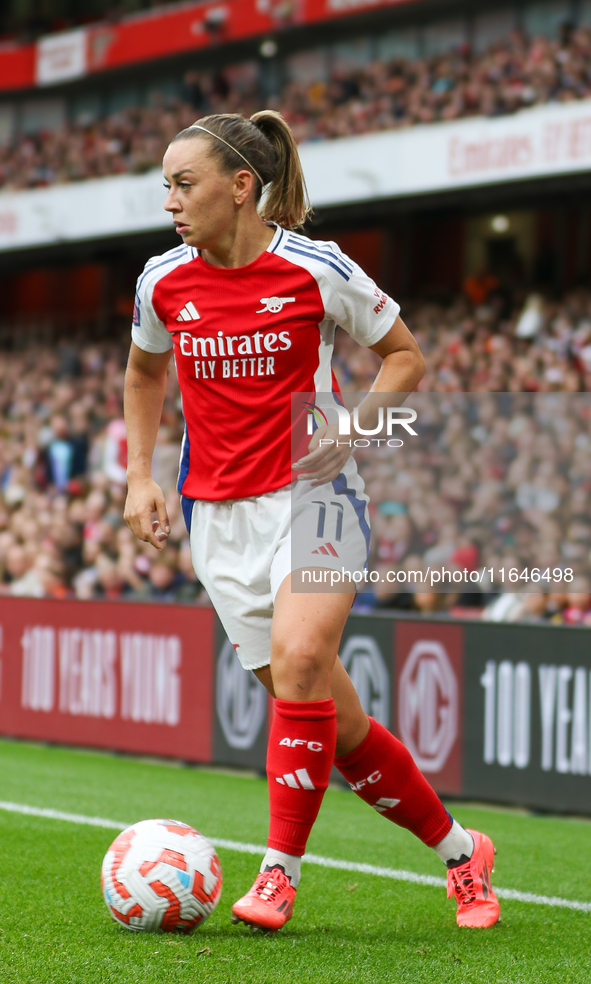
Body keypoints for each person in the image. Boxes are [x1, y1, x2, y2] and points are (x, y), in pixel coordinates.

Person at [123, 110, 500, 933]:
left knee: (299, 661)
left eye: (183, 185)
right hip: (215, 520)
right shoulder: (162, 280)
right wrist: (138, 477)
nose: (170, 202)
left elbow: (406, 356)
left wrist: (352, 432)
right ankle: (461, 852)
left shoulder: (315, 267)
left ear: (241, 187)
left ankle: (278, 875)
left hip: (316, 497)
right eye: (166, 187)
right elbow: (145, 374)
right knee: (341, 727)